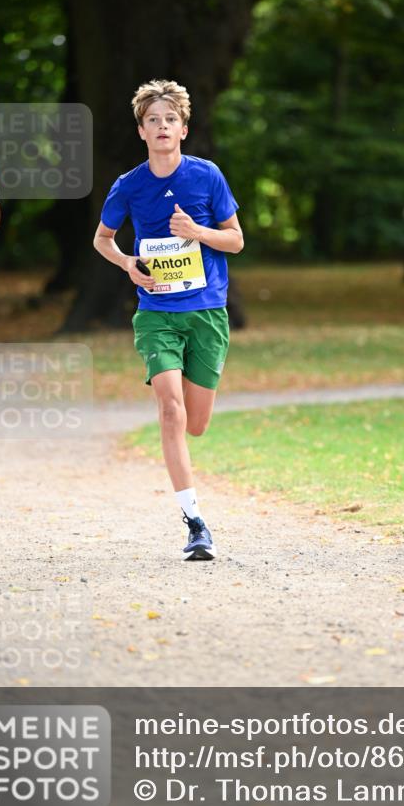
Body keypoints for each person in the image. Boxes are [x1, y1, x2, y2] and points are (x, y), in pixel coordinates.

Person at [93, 79, 243, 560]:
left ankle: (193, 511)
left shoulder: (207, 176)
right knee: (171, 410)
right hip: (157, 313)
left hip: (207, 312)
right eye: (153, 120)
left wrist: (197, 231)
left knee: (195, 424)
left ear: (183, 127)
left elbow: (236, 240)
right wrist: (128, 265)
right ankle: (196, 523)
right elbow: (103, 239)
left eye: (170, 119)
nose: (162, 127)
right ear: (141, 130)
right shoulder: (129, 185)